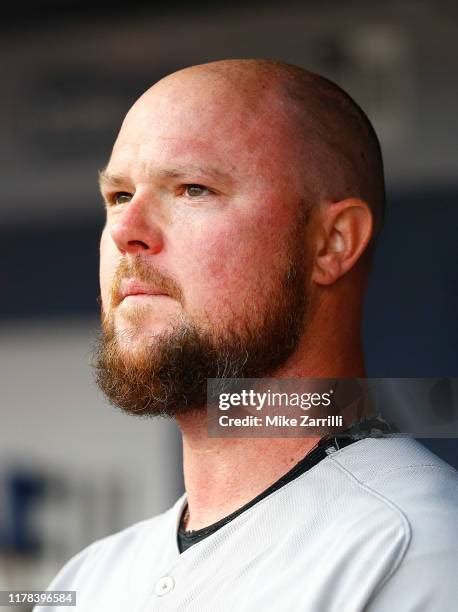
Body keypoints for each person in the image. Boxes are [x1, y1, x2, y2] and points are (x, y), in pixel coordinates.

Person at [36, 59, 457, 611]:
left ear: (332, 243)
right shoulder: (88, 580)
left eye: (191, 189)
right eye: (117, 197)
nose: (125, 232)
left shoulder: (413, 550)